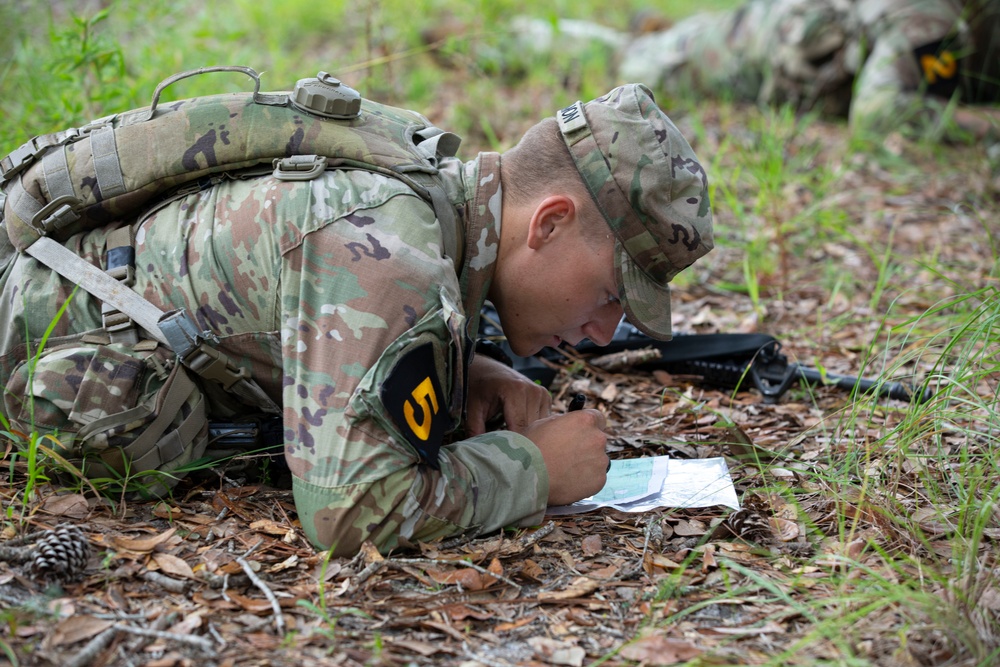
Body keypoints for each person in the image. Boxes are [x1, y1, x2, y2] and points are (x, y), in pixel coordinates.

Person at [0, 83, 713, 556]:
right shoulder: (390, 250)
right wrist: (534, 469)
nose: (600, 331)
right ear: (550, 223)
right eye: (611, 294)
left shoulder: (430, 192)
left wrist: (464, 368)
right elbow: (349, 511)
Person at [512, 0, 1000, 142]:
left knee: (653, 46)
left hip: (777, 35)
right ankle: (515, 38)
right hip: (751, 49)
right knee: (631, 59)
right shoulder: (932, 18)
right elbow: (876, 116)